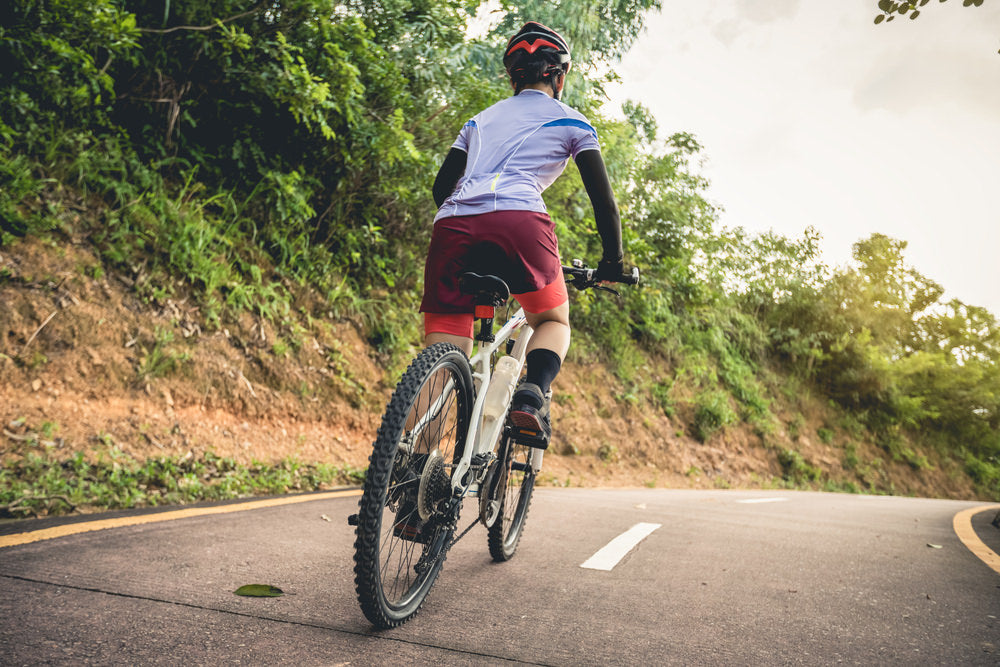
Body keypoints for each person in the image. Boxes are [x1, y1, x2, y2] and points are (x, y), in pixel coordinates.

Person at [420, 21, 625, 447]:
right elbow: (603, 202)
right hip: (520, 222)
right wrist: (613, 263)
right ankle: (531, 394)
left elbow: (442, 190)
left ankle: (410, 476)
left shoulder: (478, 122)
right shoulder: (573, 122)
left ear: (513, 76)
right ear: (559, 76)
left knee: (437, 361)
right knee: (552, 318)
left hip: (454, 224)